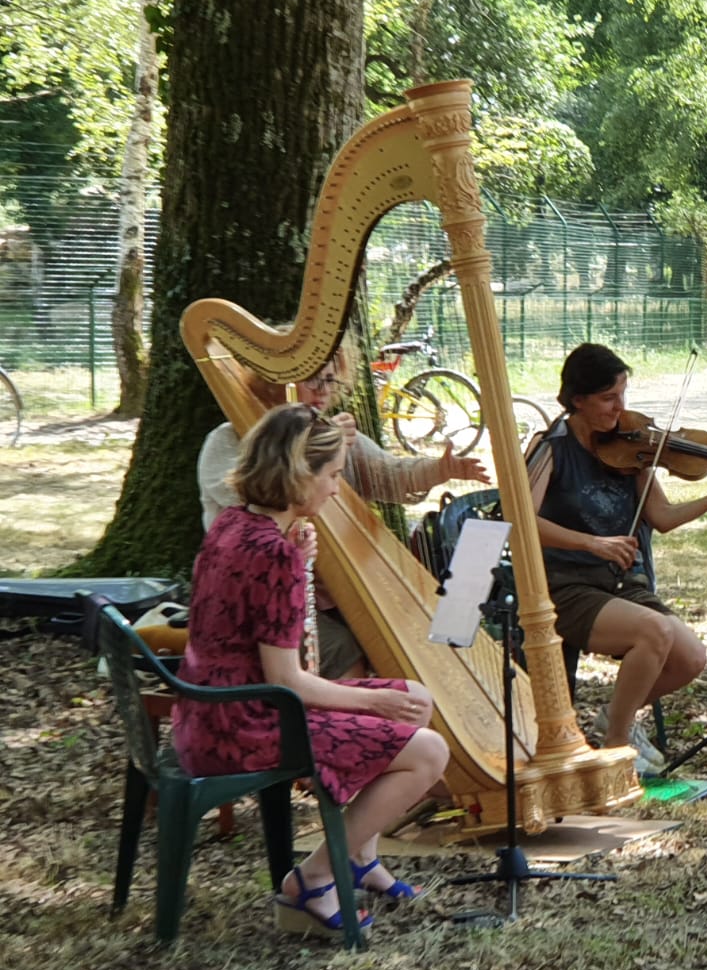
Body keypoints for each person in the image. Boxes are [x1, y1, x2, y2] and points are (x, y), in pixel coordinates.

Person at [172, 405, 451, 937]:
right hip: (243, 723)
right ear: (300, 474)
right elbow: (287, 681)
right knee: (429, 751)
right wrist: (374, 701)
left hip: (208, 707)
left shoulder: (234, 523)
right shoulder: (272, 553)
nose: (337, 489)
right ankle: (313, 880)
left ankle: (360, 857)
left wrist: (298, 564)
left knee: (416, 696)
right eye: (333, 475)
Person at [526, 343, 707, 775]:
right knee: (654, 631)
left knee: (691, 658)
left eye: (622, 395)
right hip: (565, 584)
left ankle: (616, 718)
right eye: (608, 398)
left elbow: (662, 517)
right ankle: (616, 750)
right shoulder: (550, 446)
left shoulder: (630, 450)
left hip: (619, 583)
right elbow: (520, 521)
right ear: (578, 399)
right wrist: (592, 544)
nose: (620, 408)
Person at [196, 343, 489, 677]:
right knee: (343, 648)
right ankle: (357, 705)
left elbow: (389, 474)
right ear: (277, 381)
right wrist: (319, 449)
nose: (324, 391)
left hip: (326, 591)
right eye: (312, 380)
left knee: (415, 632)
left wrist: (440, 470)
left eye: (331, 380)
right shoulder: (227, 440)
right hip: (262, 594)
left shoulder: (333, 432)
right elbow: (263, 501)